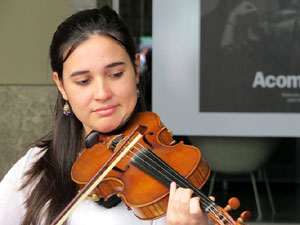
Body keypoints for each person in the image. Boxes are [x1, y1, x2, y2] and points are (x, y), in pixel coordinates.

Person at [0, 6, 211, 225]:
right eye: (83, 81)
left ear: (136, 69)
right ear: (61, 85)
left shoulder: (173, 177)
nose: (102, 94)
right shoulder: (34, 169)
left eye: (116, 74)